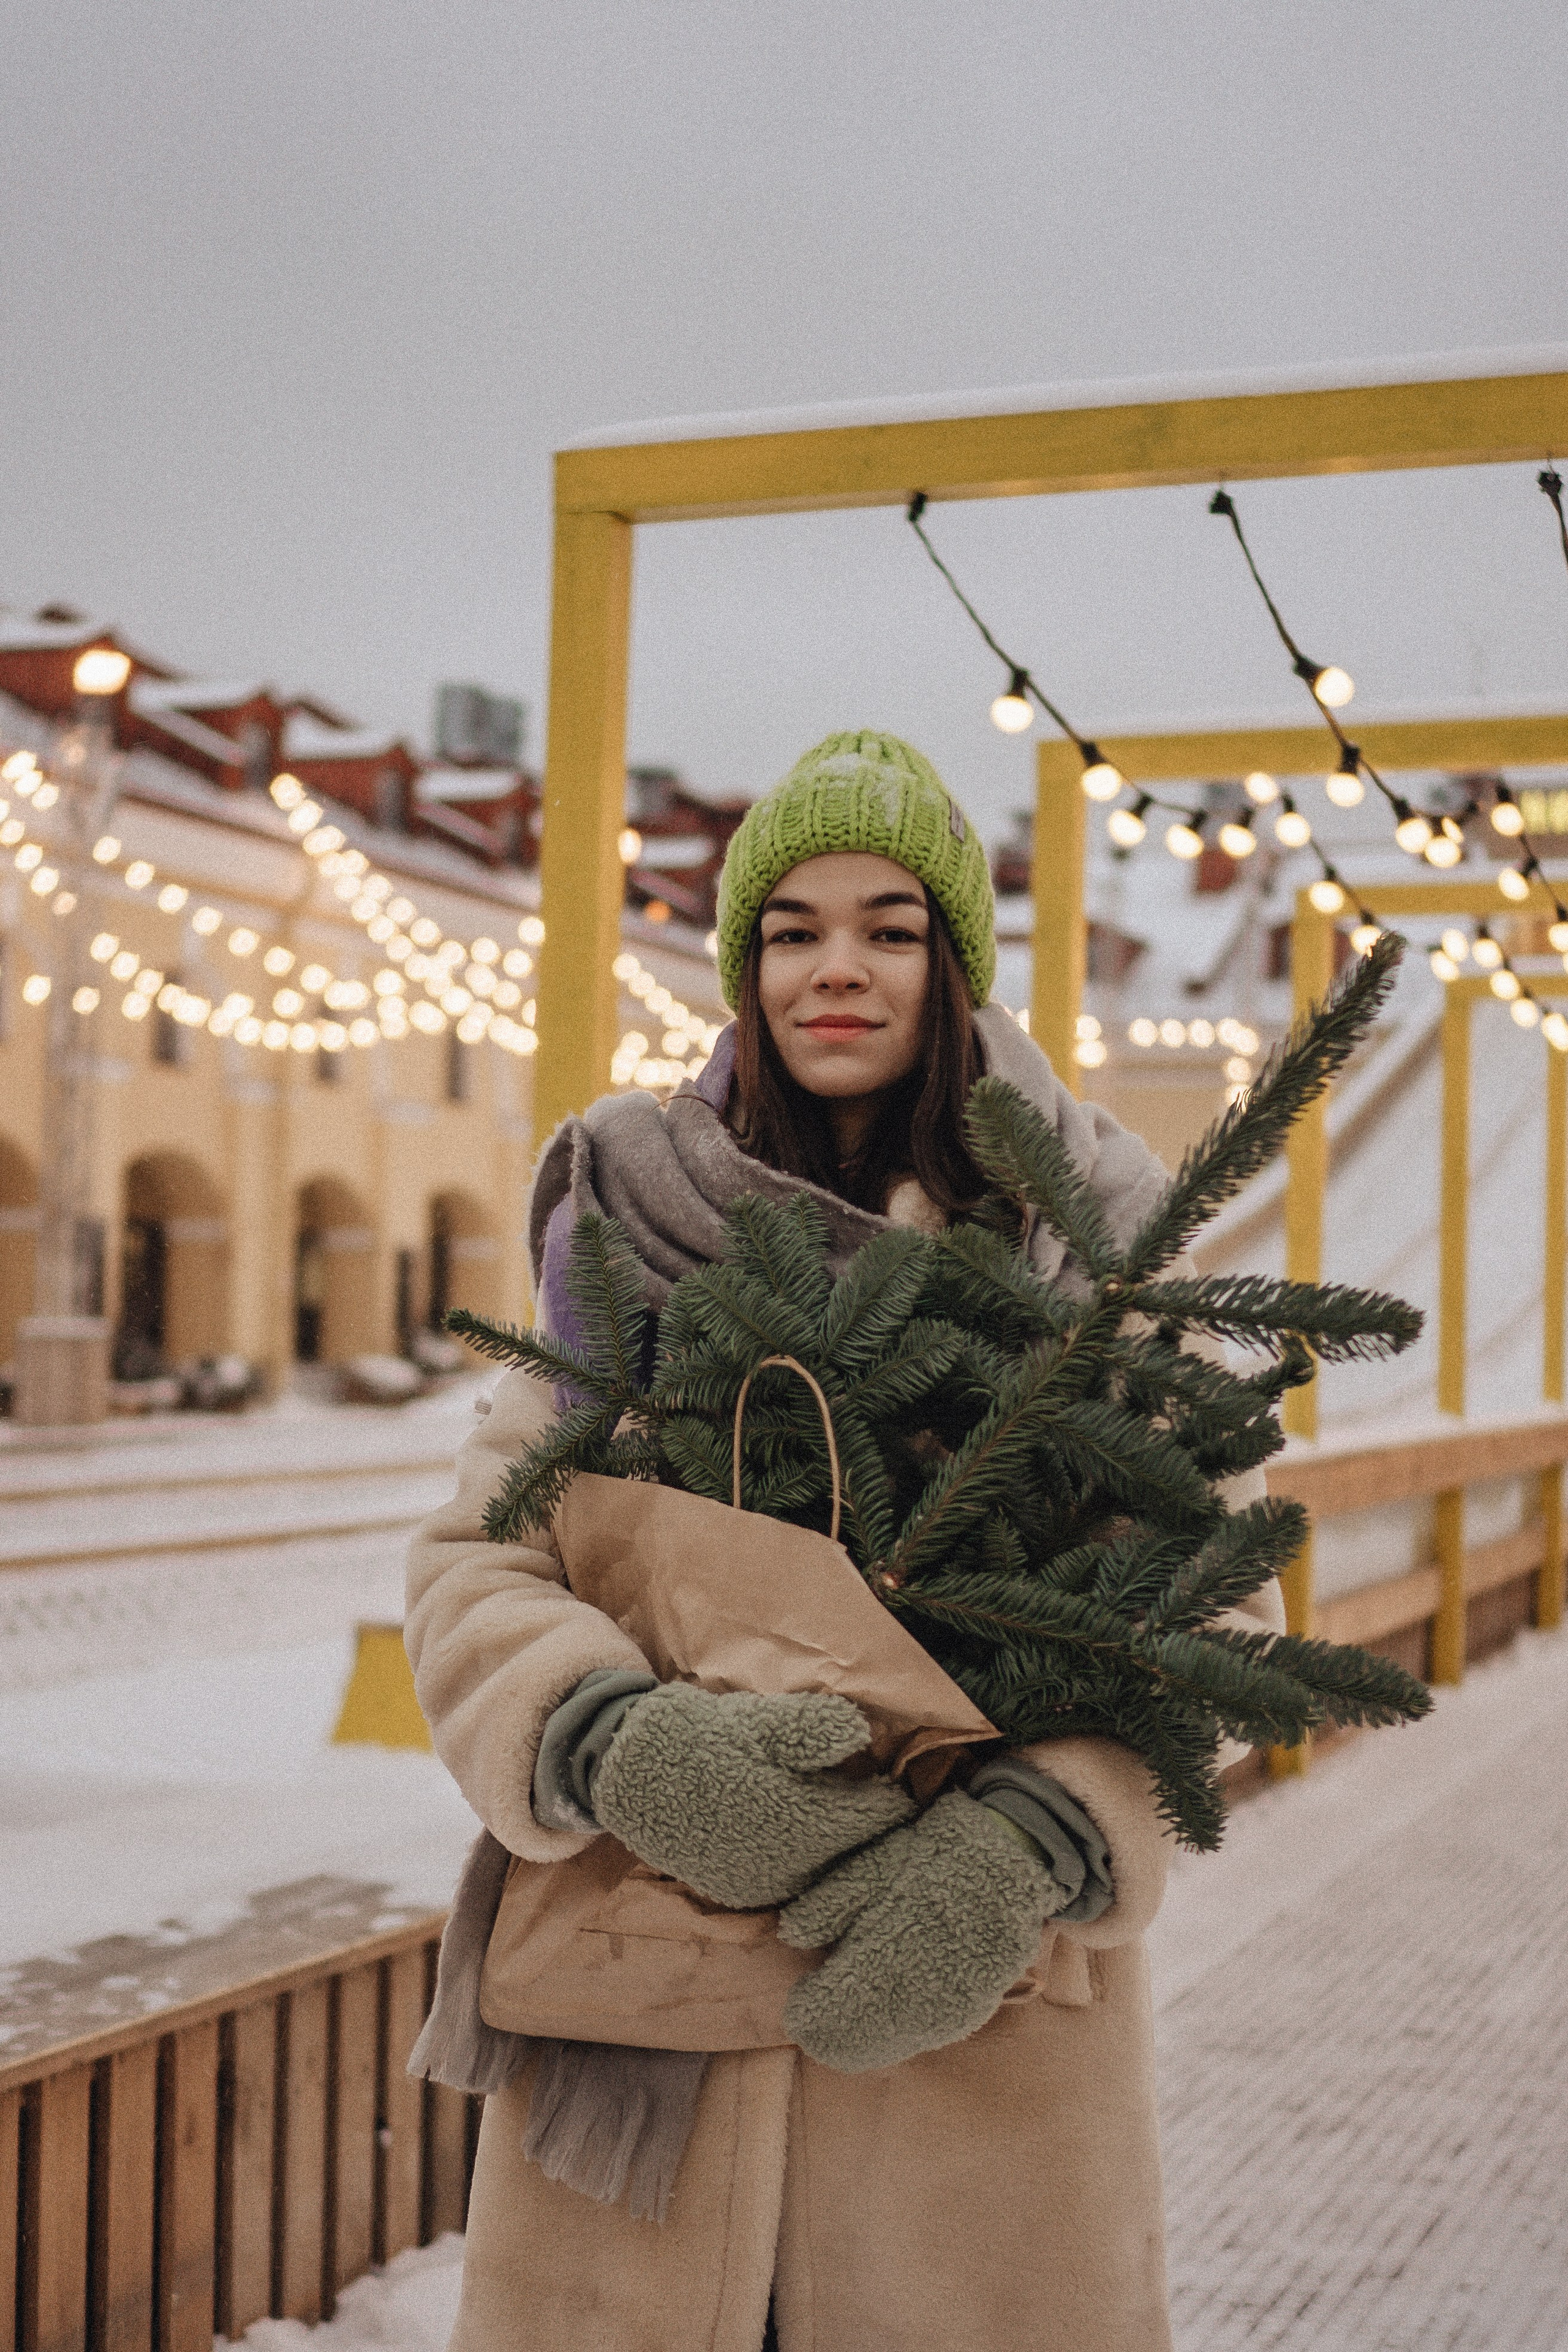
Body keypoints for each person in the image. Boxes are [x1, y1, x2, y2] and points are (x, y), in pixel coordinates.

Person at [405, 730, 1283, 2352]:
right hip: (647, 1997)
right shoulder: (626, 1220)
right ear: (745, 963)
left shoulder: (1090, 1240)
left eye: (891, 928)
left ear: (955, 962)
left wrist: (1037, 1843)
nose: (838, 971)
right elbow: (478, 1555)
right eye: (792, 931)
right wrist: (610, 1741)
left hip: (978, 2037)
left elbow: (1211, 1603)